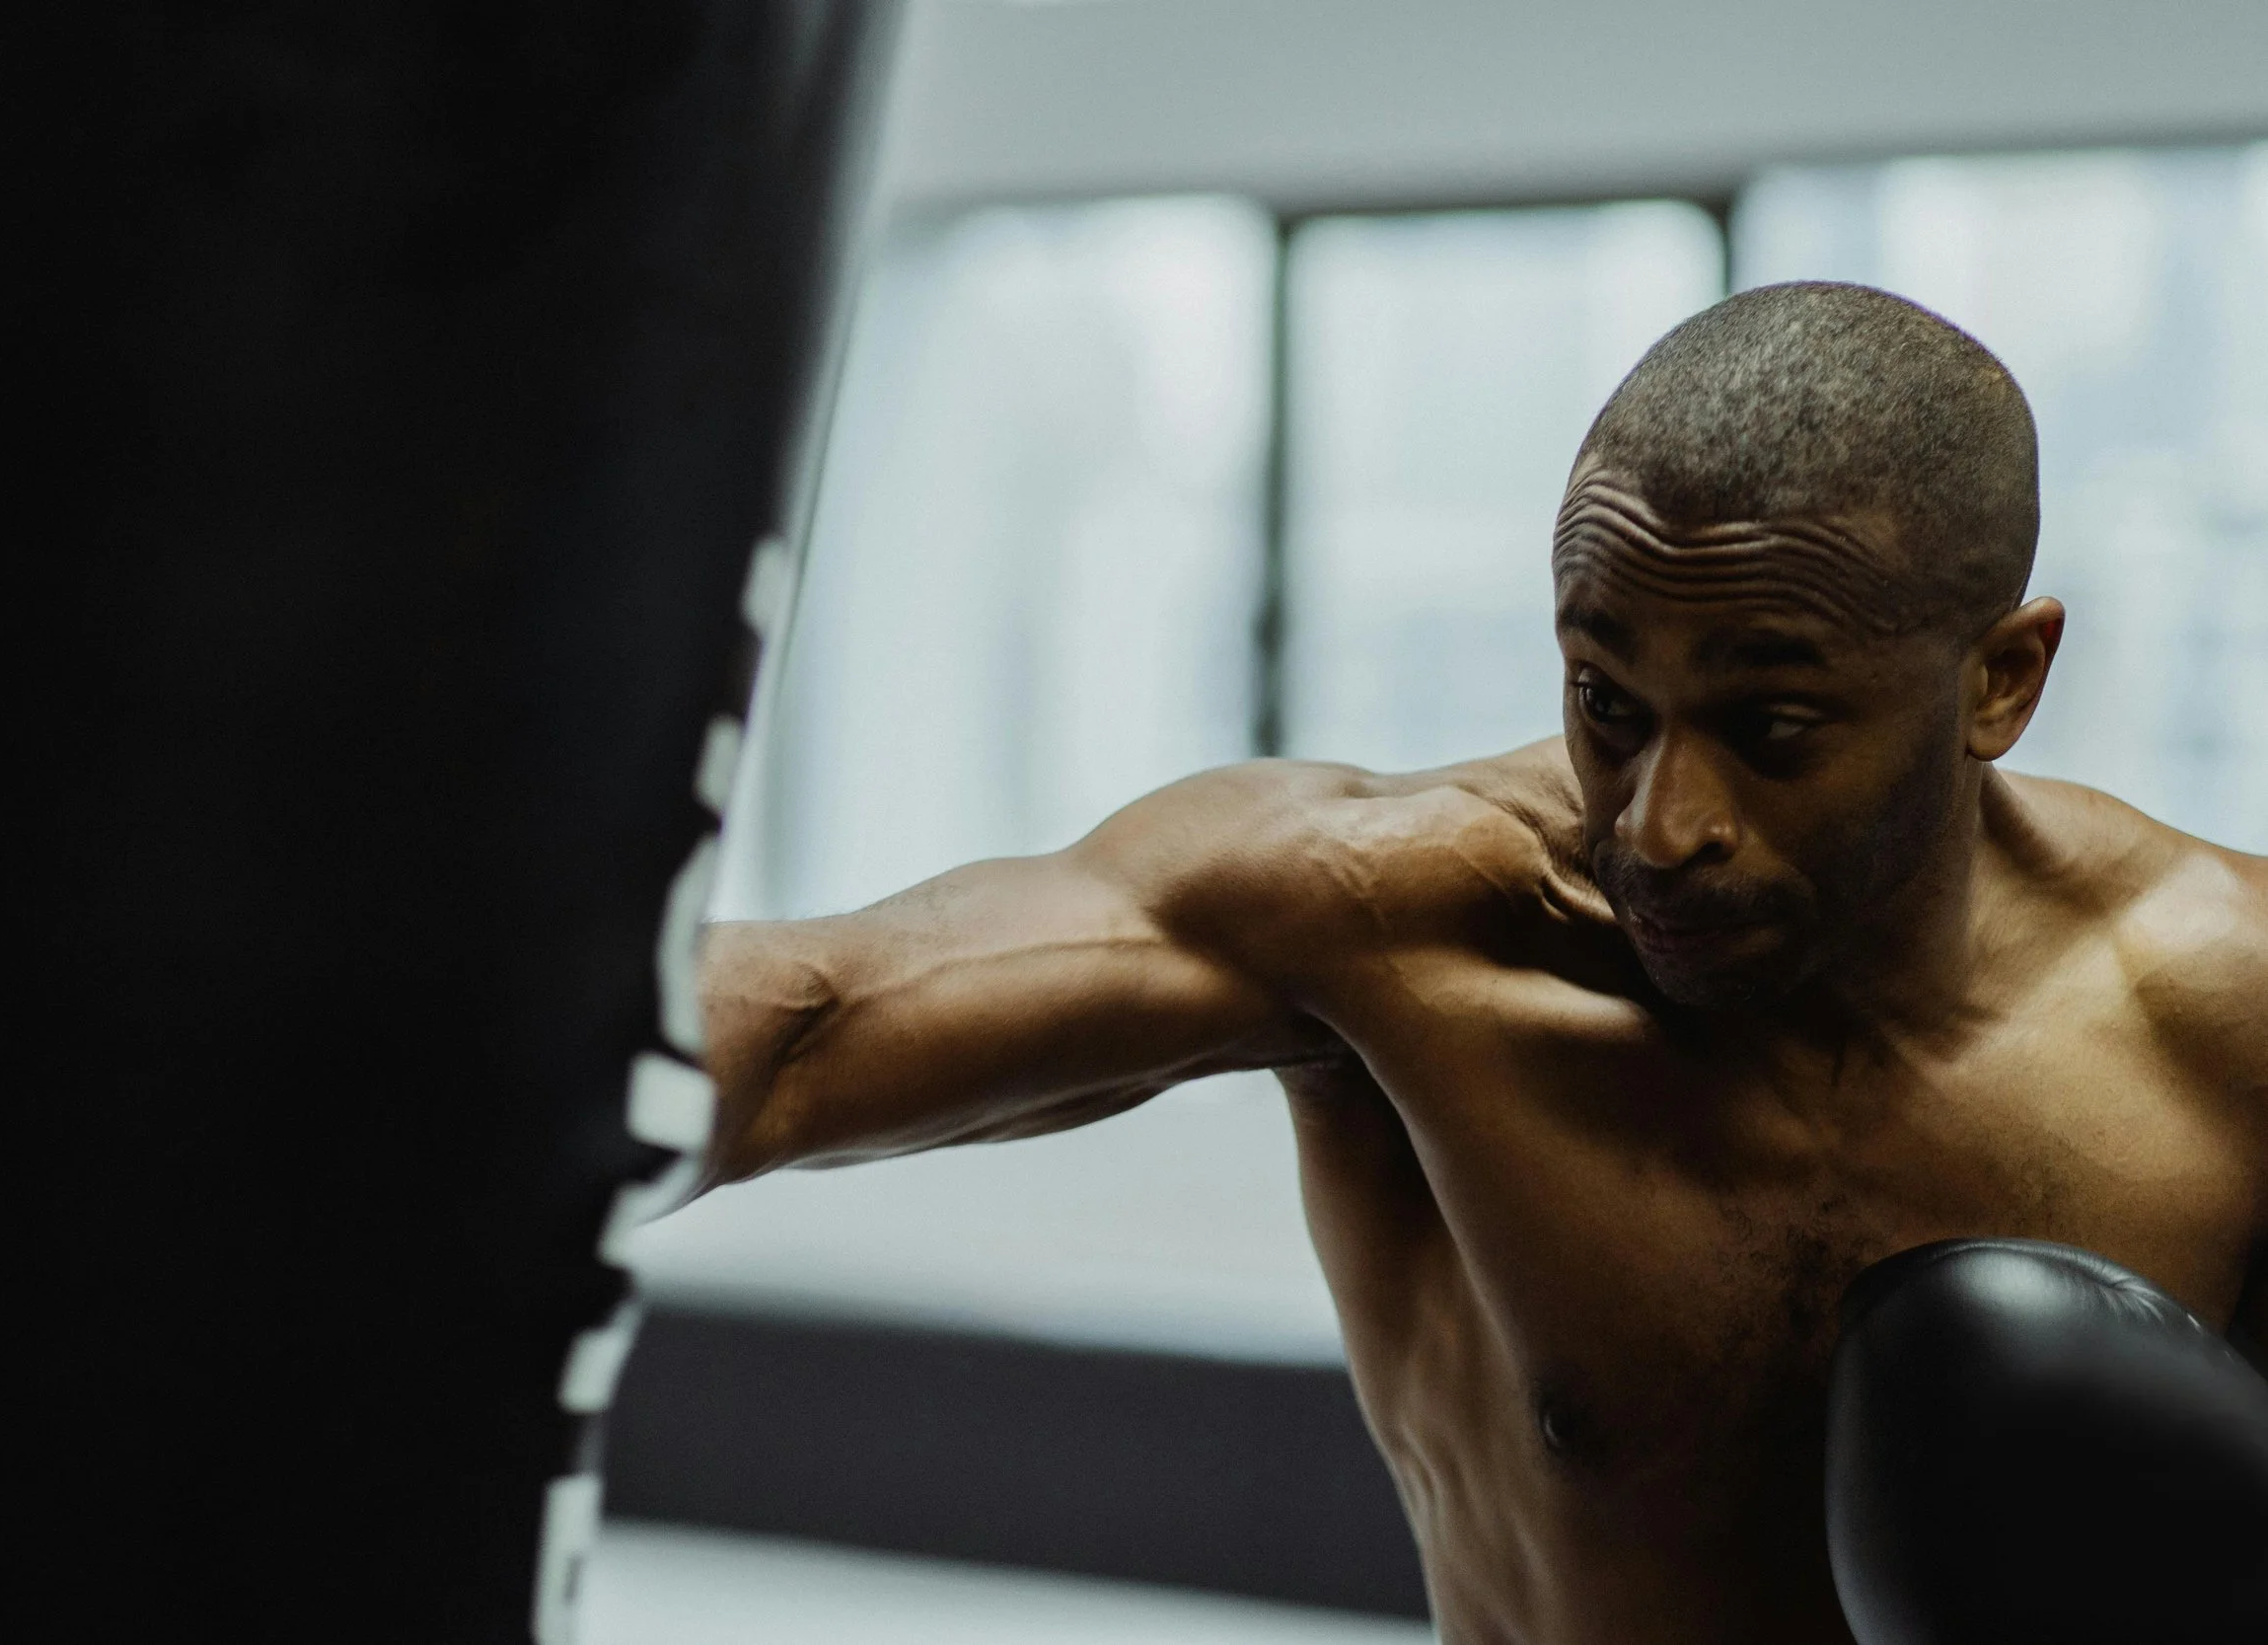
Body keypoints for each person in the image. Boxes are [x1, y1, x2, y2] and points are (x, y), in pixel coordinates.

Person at [693, 282, 2268, 1643]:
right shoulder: (1402, 925)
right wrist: (476, 1053)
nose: (1659, 827)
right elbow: (809, 1029)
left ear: (2003, 676)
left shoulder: (2225, 1014)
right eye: (1607, 701)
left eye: (1771, 726)